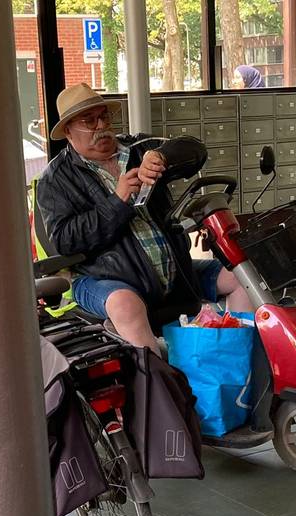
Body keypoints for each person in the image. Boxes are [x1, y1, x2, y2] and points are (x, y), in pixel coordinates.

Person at [36, 83, 252, 352]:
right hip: (107, 279)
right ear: (68, 130)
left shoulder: (140, 148)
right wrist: (117, 201)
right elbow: (65, 241)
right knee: (125, 304)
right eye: (89, 121)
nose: (101, 125)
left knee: (244, 278)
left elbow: (195, 149)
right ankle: (163, 386)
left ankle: (235, 363)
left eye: (104, 116)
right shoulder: (56, 180)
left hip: (176, 270)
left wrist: (162, 156)